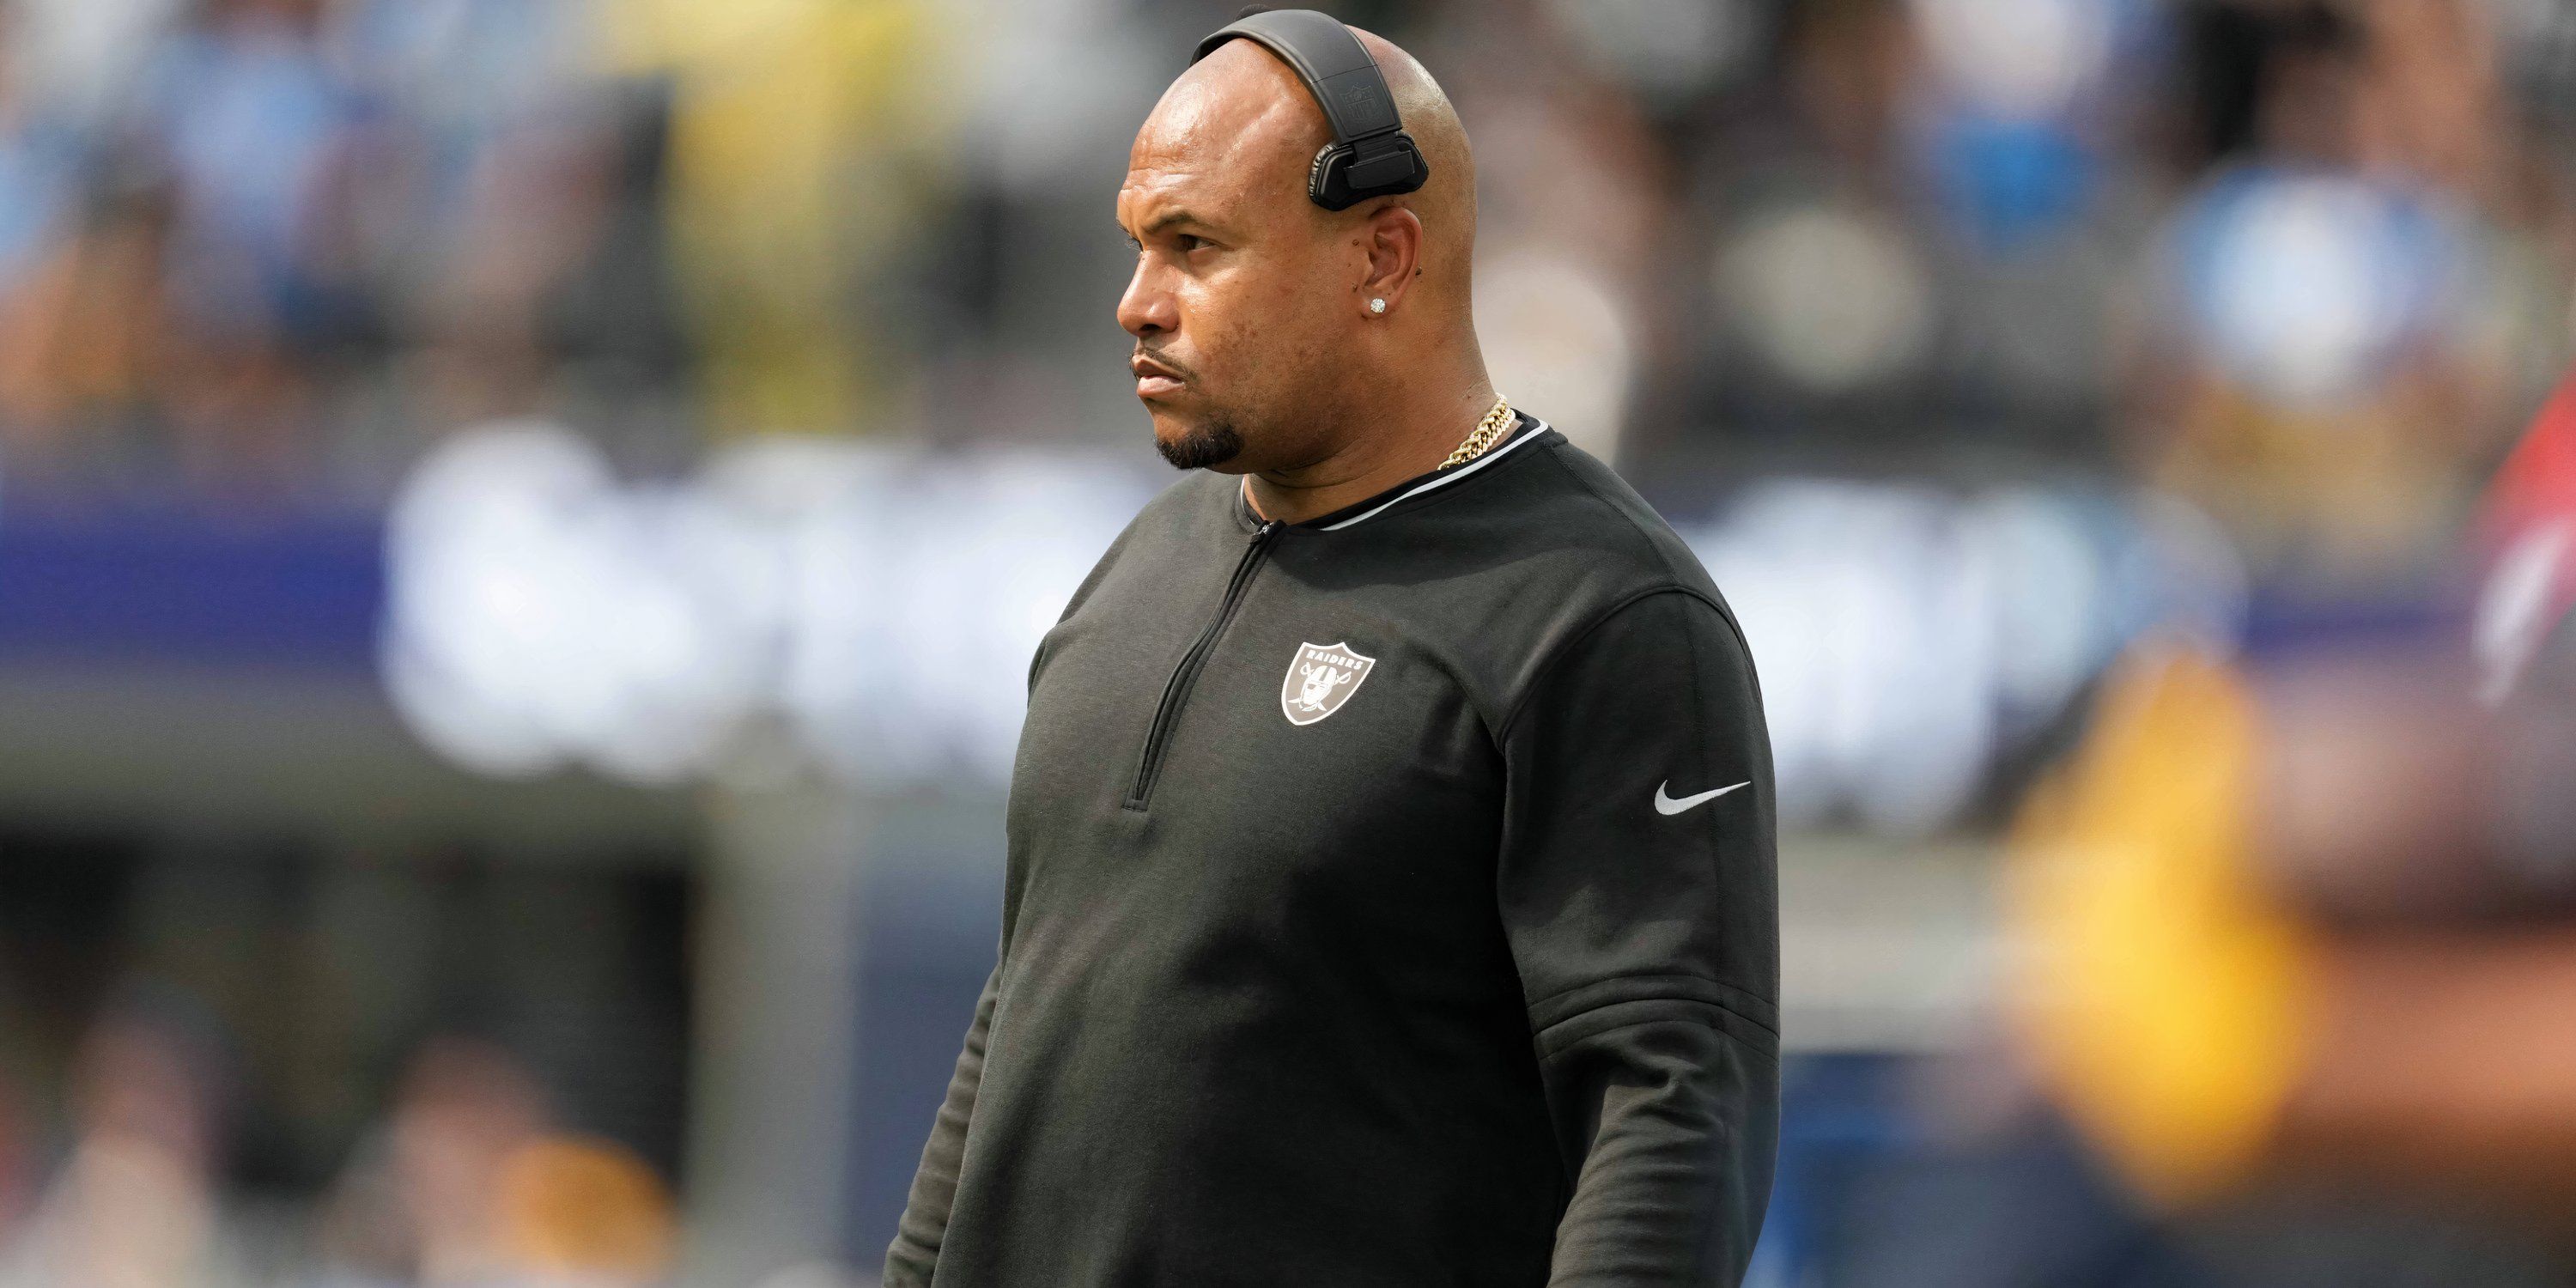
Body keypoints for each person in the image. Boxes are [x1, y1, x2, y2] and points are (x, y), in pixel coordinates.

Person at [885, 12, 1778, 1287]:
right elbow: (1016, 1034)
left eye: (1194, 247)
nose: (1137, 303)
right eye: (1139, 246)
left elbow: (1673, 1118)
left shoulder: (1602, 611)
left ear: (1384, 255)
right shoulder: (1133, 574)